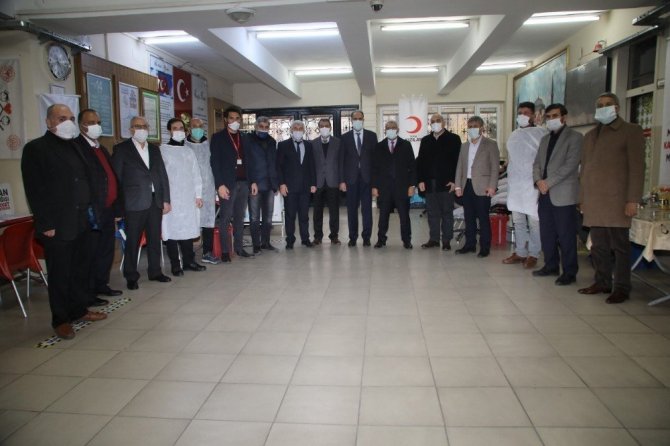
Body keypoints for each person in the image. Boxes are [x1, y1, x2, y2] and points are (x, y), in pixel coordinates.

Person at [22, 104, 107, 340]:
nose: (67, 122)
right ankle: (61, 319)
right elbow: (35, 190)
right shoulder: (36, 149)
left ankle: (78, 310)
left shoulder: (76, 146)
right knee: (60, 273)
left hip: (82, 220)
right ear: (49, 122)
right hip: (57, 224)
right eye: (62, 118)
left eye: (70, 118)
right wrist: (46, 223)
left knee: (80, 269)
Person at [578, 92, 644, 303]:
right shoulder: (590, 135)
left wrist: (633, 199)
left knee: (620, 248)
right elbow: (585, 170)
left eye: (607, 104)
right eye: (600, 105)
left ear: (617, 108)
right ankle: (602, 282)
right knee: (598, 247)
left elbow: (637, 168)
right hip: (594, 201)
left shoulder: (630, 131)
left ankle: (622, 287)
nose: (603, 107)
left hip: (617, 201)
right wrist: (582, 198)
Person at [112, 116, 172, 290]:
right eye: (138, 126)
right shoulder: (122, 149)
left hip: (154, 200)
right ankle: (131, 275)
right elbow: (116, 179)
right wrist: (118, 207)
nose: (142, 129)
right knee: (133, 240)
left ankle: (155, 271)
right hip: (134, 202)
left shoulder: (154, 149)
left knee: (154, 238)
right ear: (131, 129)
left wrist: (166, 199)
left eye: (145, 126)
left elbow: (162, 175)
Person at [75, 108, 122, 305]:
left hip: (107, 209)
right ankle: (88, 293)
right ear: (81, 125)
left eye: (98, 122)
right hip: (92, 211)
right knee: (90, 253)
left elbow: (111, 178)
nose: (96, 126)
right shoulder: (78, 148)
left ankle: (102, 284)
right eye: (91, 122)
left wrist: (117, 208)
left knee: (105, 250)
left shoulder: (101, 148)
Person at [532, 103, 583, 285]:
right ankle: (551, 265)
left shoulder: (575, 137)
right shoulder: (545, 139)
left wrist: (548, 182)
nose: (551, 119)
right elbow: (537, 164)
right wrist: (538, 181)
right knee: (547, 233)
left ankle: (569, 271)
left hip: (563, 194)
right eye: (548, 117)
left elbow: (570, 165)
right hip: (544, 193)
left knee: (565, 235)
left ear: (564, 117)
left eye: (555, 116)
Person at [503, 102, 547, 269]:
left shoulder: (542, 133)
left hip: (532, 184)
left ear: (534, 115)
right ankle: (520, 252)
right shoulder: (514, 135)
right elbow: (512, 158)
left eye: (526, 112)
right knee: (518, 221)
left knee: (534, 222)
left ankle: (533, 254)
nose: (522, 115)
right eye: (520, 112)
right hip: (515, 183)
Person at [160, 118, 207, 276]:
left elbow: (196, 174)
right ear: (169, 131)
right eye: (175, 128)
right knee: (171, 231)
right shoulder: (163, 150)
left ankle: (189, 261)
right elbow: (160, 177)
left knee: (187, 230)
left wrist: (198, 195)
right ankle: (175, 264)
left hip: (188, 198)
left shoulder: (188, 151)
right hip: (171, 198)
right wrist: (164, 199)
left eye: (181, 128)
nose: (179, 131)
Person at [210, 106, 254, 261]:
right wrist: (219, 185)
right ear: (225, 120)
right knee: (226, 217)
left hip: (244, 183)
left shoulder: (245, 138)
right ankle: (225, 251)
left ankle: (239, 248)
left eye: (237, 118)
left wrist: (253, 182)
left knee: (240, 218)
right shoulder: (218, 137)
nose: (234, 121)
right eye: (231, 118)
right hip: (227, 184)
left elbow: (250, 161)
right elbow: (215, 163)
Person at [454, 116, 500, 258]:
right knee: (469, 217)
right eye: (470, 126)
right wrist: (458, 186)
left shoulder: (490, 144)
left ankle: (485, 247)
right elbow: (460, 167)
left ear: (481, 128)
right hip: (466, 185)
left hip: (483, 187)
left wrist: (492, 186)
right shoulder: (464, 146)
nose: (472, 128)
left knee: (483, 218)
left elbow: (495, 168)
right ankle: (470, 244)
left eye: (475, 126)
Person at [416, 113, 461, 250]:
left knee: (447, 212)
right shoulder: (426, 140)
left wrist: (455, 181)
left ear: (443, 122)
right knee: (432, 213)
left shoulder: (453, 139)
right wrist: (420, 180)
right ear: (430, 124)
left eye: (438, 120)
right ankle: (434, 239)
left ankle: (446, 240)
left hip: (447, 183)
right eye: (433, 121)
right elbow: (420, 162)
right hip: (429, 183)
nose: (435, 123)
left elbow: (458, 162)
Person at [371, 120, 416, 249]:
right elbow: (375, 168)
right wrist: (374, 186)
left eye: (393, 127)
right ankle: (381, 239)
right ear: (385, 130)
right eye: (388, 128)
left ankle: (407, 240)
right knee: (383, 216)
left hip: (402, 187)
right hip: (384, 188)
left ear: (397, 129)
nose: (390, 129)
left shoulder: (406, 145)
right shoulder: (379, 146)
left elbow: (412, 166)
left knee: (404, 216)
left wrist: (412, 185)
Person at [339, 110, 377, 247]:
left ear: (363, 119)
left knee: (367, 210)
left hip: (367, 179)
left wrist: (375, 183)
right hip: (351, 179)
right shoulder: (344, 137)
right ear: (351, 120)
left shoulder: (372, 136)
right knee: (352, 210)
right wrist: (342, 181)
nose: (357, 121)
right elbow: (341, 160)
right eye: (355, 119)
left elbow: (376, 161)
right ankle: (353, 237)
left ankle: (366, 237)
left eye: (360, 118)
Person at [276, 120, 317, 249]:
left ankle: (305, 239)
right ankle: (290, 240)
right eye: (295, 128)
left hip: (305, 187)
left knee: (304, 215)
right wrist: (281, 184)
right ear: (291, 130)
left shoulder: (309, 145)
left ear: (304, 131)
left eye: (300, 128)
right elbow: (279, 167)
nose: (298, 130)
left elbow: (312, 165)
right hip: (289, 187)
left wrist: (313, 183)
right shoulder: (283, 145)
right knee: (290, 215)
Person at [186, 118, 220, 264]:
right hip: (189, 190)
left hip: (208, 189)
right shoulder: (184, 146)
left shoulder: (209, 145)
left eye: (200, 126)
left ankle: (207, 252)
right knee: (190, 221)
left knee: (208, 221)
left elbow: (215, 165)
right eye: (194, 126)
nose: (198, 129)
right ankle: (188, 255)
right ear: (189, 129)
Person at [247, 116, 279, 253]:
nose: (264, 129)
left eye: (266, 127)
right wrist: (252, 181)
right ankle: (256, 245)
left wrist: (276, 183)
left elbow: (274, 163)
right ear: (256, 127)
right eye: (261, 127)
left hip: (270, 185)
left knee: (268, 218)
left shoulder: (272, 141)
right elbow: (247, 163)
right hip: (255, 184)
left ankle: (265, 243)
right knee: (254, 218)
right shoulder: (248, 140)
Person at [311, 118, 342, 245]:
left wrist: (341, 181)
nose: (324, 127)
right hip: (318, 182)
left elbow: (341, 163)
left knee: (334, 211)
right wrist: (311, 182)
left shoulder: (338, 142)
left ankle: (334, 236)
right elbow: (311, 164)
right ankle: (318, 236)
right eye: (322, 126)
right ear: (318, 128)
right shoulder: (313, 143)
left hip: (333, 181)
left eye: (326, 125)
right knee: (317, 211)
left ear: (330, 127)